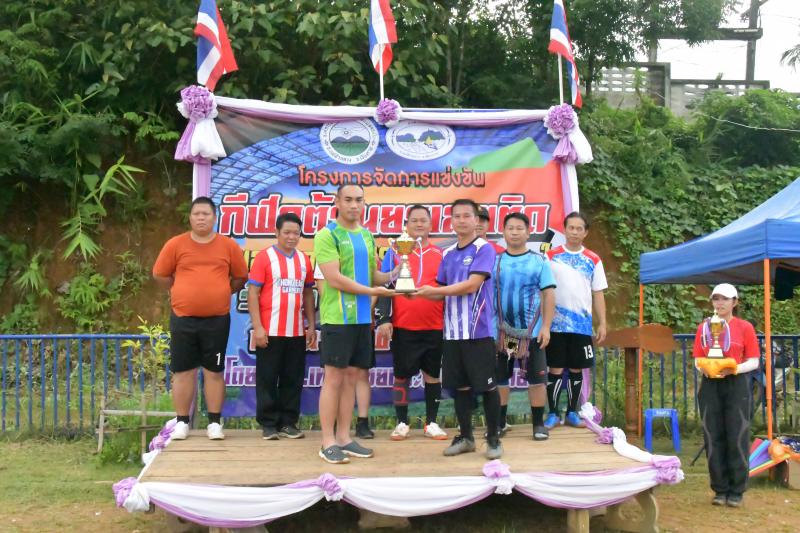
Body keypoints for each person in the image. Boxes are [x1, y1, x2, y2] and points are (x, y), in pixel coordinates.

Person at [153, 196, 248, 440]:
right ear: (190, 218)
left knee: (214, 371)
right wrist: (180, 290)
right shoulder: (175, 244)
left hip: (217, 320)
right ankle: (182, 422)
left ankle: (214, 422)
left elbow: (240, 277)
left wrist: (221, 291)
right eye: (196, 214)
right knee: (183, 371)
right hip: (183, 319)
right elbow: (161, 275)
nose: (201, 218)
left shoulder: (228, 245)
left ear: (214, 217)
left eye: (206, 214)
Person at [314, 184, 396, 464]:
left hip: (362, 319)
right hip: (337, 318)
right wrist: (373, 291)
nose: (354, 205)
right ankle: (327, 441)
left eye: (359, 200)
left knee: (351, 378)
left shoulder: (367, 235)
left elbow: (374, 275)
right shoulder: (327, 235)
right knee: (333, 379)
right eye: (348, 199)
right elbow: (334, 278)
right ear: (337, 201)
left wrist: (399, 272)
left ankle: (344, 438)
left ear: (364, 202)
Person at [416, 198, 502, 459]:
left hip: (478, 332)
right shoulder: (448, 254)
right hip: (452, 333)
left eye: (467, 216)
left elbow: (472, 285)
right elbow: (441, 291)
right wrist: (413, 292)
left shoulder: (484, 249)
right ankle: (466, 438)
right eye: (457, 216)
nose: (462, 221)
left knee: (487, 387)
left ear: (477, 220)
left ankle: (494, 439)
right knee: (461, 388)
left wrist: (433, 291)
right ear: (450, 221)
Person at [375, 204, 448, 441]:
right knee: (401, 375)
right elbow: (385, 286)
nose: (419, 224)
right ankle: (401, 423)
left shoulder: (441, 254)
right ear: (406, 225)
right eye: (414, 220)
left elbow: (447, 289)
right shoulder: (395, 252)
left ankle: (432, 423)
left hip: (434, 326)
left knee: (432, 375)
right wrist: (385, 318)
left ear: (430, 225)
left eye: (423, 220)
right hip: (403, 326)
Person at [248, 213, 316, 441]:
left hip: (296, 331)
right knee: (267, 378)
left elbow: (308, 293)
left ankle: (288, 422)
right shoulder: (264, 257)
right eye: (286, 232)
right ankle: (268, 424)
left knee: (293, 379)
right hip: (270, 331)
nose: (291, 237)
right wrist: (258, 327)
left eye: (296, 233)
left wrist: (311, 325)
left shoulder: (304, 260)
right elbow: (253, 293)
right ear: (276, 232)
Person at [692, 283, 759, 508]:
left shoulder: (745, 327)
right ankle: (719, 489)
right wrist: (706, 368)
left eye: (725, 299)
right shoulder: (704, 327)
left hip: (736, 384)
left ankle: (736, 490)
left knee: (737, 435)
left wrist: (734, 369)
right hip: (710, 384)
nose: (719, 303)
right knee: (713, 435)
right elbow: (697, 359)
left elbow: (754, 361)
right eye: (716, 298)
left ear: (735, 302)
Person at [494, 213, 556, 440]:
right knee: (501, 379)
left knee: (537, 380)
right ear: (503, 232)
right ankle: (499, 423)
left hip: (532, 333)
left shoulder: (539, 262)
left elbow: (549, 295)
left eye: (519, 228)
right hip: (504, 333)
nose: (515, 232)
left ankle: (538, 425)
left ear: (528, 233)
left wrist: (546, 327)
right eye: (510, 228)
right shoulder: (496, 261)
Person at [545, 212, 608, 429]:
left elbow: (598, 292)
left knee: (576, 369)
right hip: (555, 325)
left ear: (585, 232)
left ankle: (572, 412)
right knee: (554, 368)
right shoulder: (550, 256)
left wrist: (602, 322)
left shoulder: (593, 259)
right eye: (571, 228)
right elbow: (544, 291)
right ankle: (553, 414)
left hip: (581, 326)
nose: (574, 232)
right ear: (564, 230)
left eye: (579, 228)